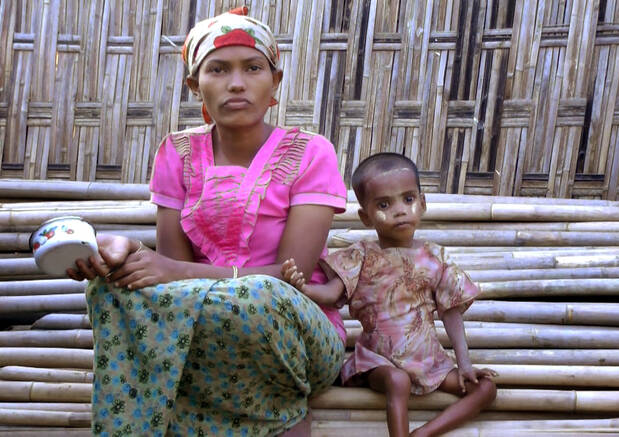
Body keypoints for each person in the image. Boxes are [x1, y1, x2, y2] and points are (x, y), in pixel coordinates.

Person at [68, 7, 347, 436]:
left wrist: (176, 270)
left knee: (258, 296)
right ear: (195, 85)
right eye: (218, 69)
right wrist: (123, 254)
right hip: (204, 328)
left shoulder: (310, 153)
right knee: (111, 288)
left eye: (253, 68)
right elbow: (169, 285)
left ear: (275, 82)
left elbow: (293, 281)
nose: (236, 83)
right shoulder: (175, 152)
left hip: (297, 334)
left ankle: (279, 410)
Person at [281, 153, 498, 437]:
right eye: (384, 204)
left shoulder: (435, 258)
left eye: (408, 199)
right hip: (379, 360)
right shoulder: (360, 256)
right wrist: (304, 288)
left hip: (429, 360)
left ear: (423, 203)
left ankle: (422, 434)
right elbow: (332, 293)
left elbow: (451, 312)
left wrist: (465, 364)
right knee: (398, 381)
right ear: (366, 217)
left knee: (486, 389)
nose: (399, 210)